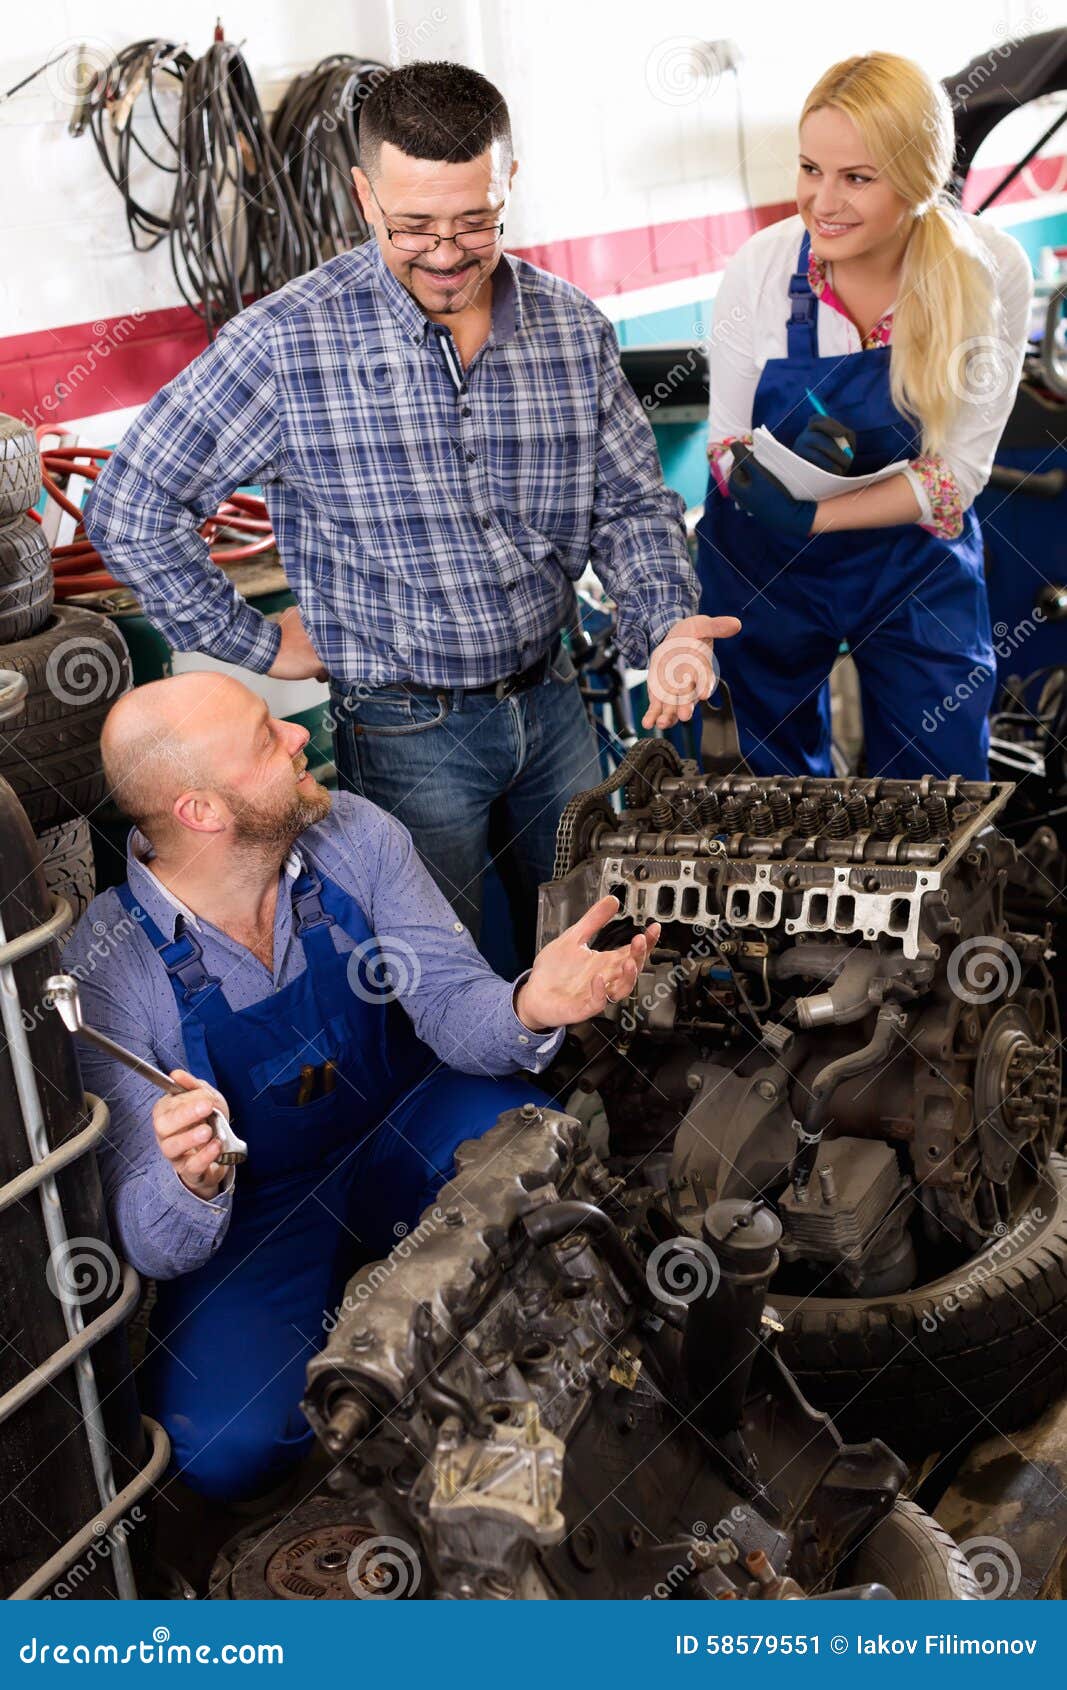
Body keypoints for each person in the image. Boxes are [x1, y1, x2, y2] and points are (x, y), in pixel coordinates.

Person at [84, 59, 738, 953]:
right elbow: (130, 503)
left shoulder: (570, 329)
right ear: (362, 194)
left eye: (475, 222)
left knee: (598, 939)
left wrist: (665, 625)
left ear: (509, 181)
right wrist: (258, 642)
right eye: (412, 225)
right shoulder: (288, 345)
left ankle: (599, 1092)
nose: (444, 253)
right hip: (403, 733)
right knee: (442, 970)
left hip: (552, 705)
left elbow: (629, 505)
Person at [63, 673, 660, 1502]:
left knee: (540, 1164)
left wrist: (529, 1002)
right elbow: (151, 1241)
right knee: (224, 1452)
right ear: (202, 812)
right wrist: (187, 1179)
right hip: (261, 1209)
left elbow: (453, 1008)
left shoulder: (355, 836)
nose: (299, 736)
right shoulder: (109, 965)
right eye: (267, 739)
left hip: (402, 1123)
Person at [696, 52, 1032, 780]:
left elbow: (955, 478)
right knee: (765, 790)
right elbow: (724, 444)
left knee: (938, 788)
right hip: (763, 565)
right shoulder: (760, 268)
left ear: (916, 182)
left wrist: (812, 514)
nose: (822, 202)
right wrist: (752, 482)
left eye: (856, 178)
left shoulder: (988, 271)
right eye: (810, 169)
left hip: (910, 561)